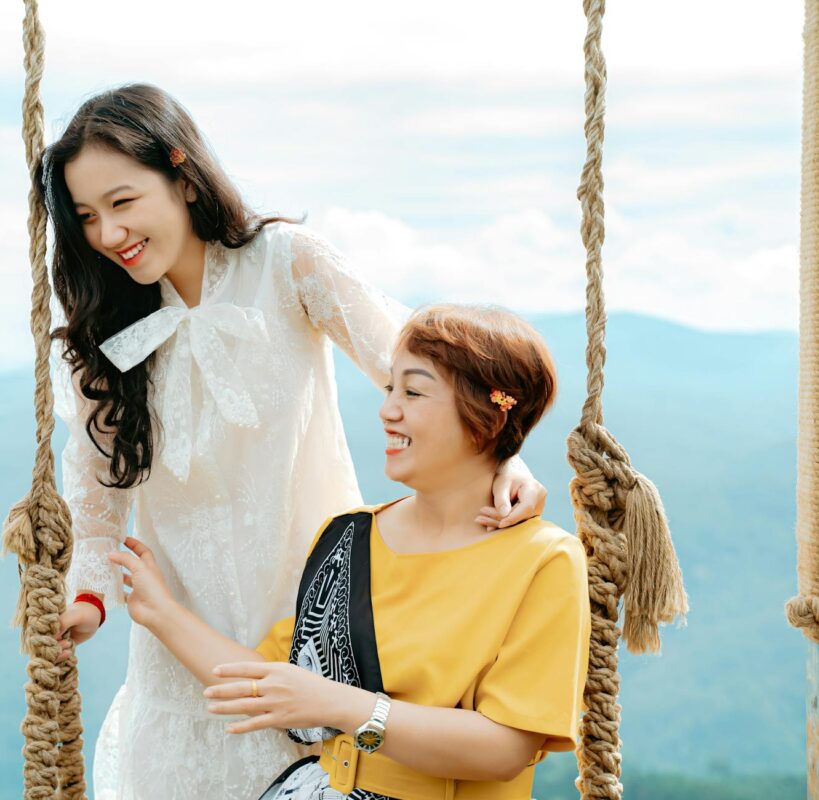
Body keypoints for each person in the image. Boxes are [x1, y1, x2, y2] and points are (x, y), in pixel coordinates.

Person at [41, 84, 549, 799]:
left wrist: (503, 453)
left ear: (183, 177)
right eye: (88, 217)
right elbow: (94, 502)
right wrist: (88, 598)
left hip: (315, 625)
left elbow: (414, 363)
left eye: (123, 203)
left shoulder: (285, 263)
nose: (107, 234)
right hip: (175, 649)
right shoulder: (104, 339)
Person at [110, 304, 589, 800]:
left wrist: (343, 706)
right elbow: (270, 683)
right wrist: (160, 612)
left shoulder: (543, 561)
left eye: (414, 391)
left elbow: (505, 748)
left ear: (487, 416)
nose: (388, 410)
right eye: (390, 389)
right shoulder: (348, 537)